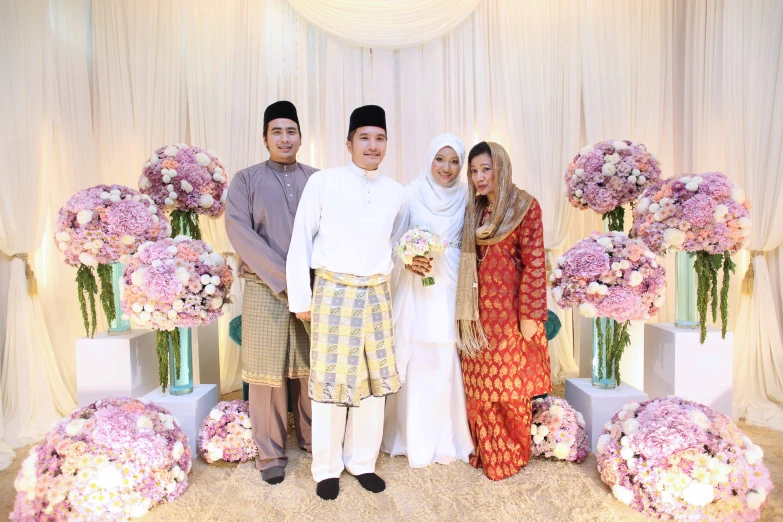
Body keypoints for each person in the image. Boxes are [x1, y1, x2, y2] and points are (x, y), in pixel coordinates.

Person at [286, 105, 407, 500]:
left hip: (376, 293)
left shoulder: (395, 192)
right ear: (349, 143)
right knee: (331, 382)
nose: (373, 146)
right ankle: (326, 468)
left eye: (380, 138)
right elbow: (300, 240)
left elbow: (397, 245)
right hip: (333, 292)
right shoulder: (324, 182)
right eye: (365, 138)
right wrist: (302, 297)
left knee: (372, 383)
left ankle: (362, 462)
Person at [225, 101, 317, 485]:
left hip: (313, 287)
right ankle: (270, 453)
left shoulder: (318, 179)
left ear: (300, 136)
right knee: (266, 375)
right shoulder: (245, 180)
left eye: (290, 131)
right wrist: (286, 278)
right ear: (264, 138)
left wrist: (309, 282)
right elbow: (240, 234)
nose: (284, 138)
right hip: (266, 287)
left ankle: (317, 443)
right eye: (276, 131)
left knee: (315, 368)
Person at [455, 141, 551, 481]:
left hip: (511, 312)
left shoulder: (525, 206)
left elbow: (535, 264)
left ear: (502, 168)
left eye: (486, 169)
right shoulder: (474, 211)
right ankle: (485, 446)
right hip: (477, 314)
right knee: (479, 384)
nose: (480, 177)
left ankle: (511, 450)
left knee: (509, 385)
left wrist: (530, 315)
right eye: (474, 171)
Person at [381, 134, 474, 468]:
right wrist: (406, 259)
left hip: (452, 287)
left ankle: (448, 437)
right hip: (418, 286)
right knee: (418, 352)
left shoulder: (468, 196)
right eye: (439, 159)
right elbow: (393, 241)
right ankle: (410, 437)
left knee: (448, 351)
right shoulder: (410, 193)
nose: (446, 168)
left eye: (453, 161)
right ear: (429, 159)